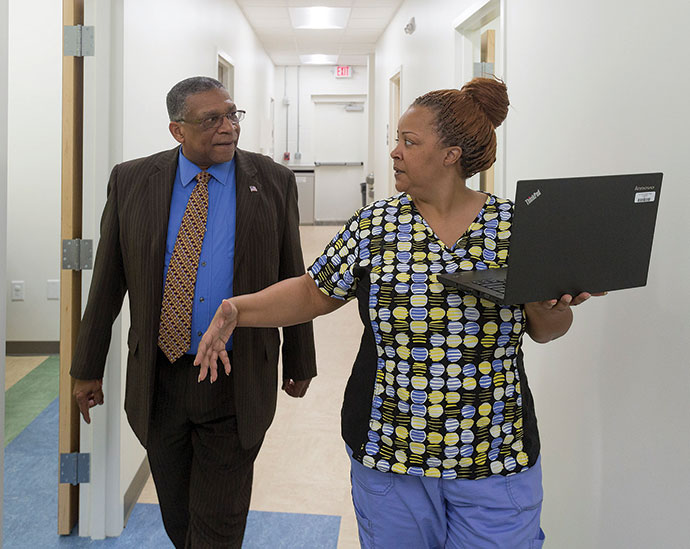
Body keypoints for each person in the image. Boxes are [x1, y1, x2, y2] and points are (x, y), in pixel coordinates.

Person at [195, 77, 603, 549]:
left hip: (495, 452)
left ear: (451, 154)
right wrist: (236, 310)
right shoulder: (377, 224)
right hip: (390, 449)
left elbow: (549, 330)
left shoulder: (516, 227)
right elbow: (313, 291)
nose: (395, 152)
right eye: (397, 140)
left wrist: (545, 304)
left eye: (409, 142)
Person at [70, 76, 316, 548]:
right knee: (179, 518)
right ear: (176, 130)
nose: (228, 128)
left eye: (232, 115)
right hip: (160, 380)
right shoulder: (131, 181)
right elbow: (107, 282)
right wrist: (86, 368)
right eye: (211, 120)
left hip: (236, 375)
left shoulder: (272, 181)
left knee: (219, 524)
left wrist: (300, 359)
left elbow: (294, 276)